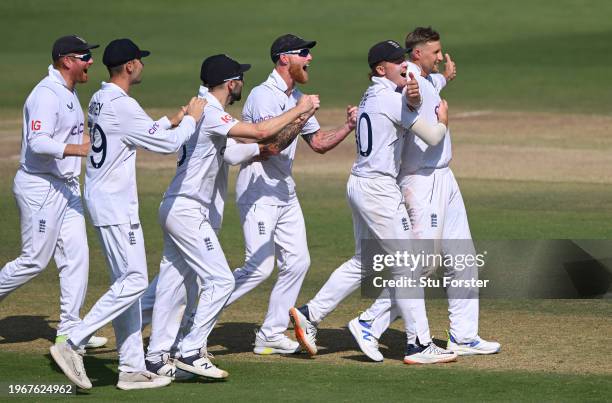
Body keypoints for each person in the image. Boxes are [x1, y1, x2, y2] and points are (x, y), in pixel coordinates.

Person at [145, 54, 318, 379]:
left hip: (174, 205)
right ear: (231, 83)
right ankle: (191, 350)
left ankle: (156, 357)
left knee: (173, 283)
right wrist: (299, 110)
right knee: (221, 280)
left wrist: (256, 150)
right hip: (188, 209)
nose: (242, 82)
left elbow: (233, 151)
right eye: (239, 77)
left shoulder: (206, 111)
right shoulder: (211, 112)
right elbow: (258, 130)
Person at [50, 38, 206, 390]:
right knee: (134, 281)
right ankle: (73, 342)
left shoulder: (102, 98)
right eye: (141, 61)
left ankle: (132, 368)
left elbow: (138, 132)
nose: (143, 66)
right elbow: (166, 145)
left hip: (104, 199)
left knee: (128, 283)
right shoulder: (122, 104)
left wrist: (172, 119)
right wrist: (192, 121)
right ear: (131, 66)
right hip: (115, 203)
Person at [290, 40, 459, 365]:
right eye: (398, 63)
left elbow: (413, 92)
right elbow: (434, 136)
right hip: (379, 189)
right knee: (410, 263)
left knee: (364, 261)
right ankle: (418, 344)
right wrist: (443, 117)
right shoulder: (389, 99)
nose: (404, 66)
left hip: (360, 183)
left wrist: (428, 87)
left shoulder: (371, 95)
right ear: (381, 69)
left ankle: (309, 313)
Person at [348, 27, 500, 362]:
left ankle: (463, 335)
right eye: (434, 52)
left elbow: (432, 86)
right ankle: (370, 322)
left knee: (463, 257)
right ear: (416, 55)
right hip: (421, 181)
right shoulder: (409, 82)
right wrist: (430, 105)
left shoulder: (427, 78)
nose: (440, 56)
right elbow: (414, 95)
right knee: (421, 264)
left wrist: (445, 76)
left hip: (445, 176)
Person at [222, 34, 357, 355]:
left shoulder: (296, 97)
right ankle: (199, 313)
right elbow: (268, 146)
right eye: (304, 53)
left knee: (298, 262)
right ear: (284, 58)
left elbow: (320, 143)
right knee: (258, 267)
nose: (310, 59)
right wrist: (302, 113)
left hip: (284, 191)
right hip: (258, 192)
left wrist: (347, 126)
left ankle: (270, 332)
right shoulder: (263, 95)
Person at [0, 34, 107, 350]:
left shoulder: (68, 92)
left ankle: (70, 332)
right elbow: (38, 142)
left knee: (77, 257)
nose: (90, 62)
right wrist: (79, 150)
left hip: (66, 188)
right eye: (85, 56)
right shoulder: (46, 95)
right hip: (40, 187)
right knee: (34, 259)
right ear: (67, 60)